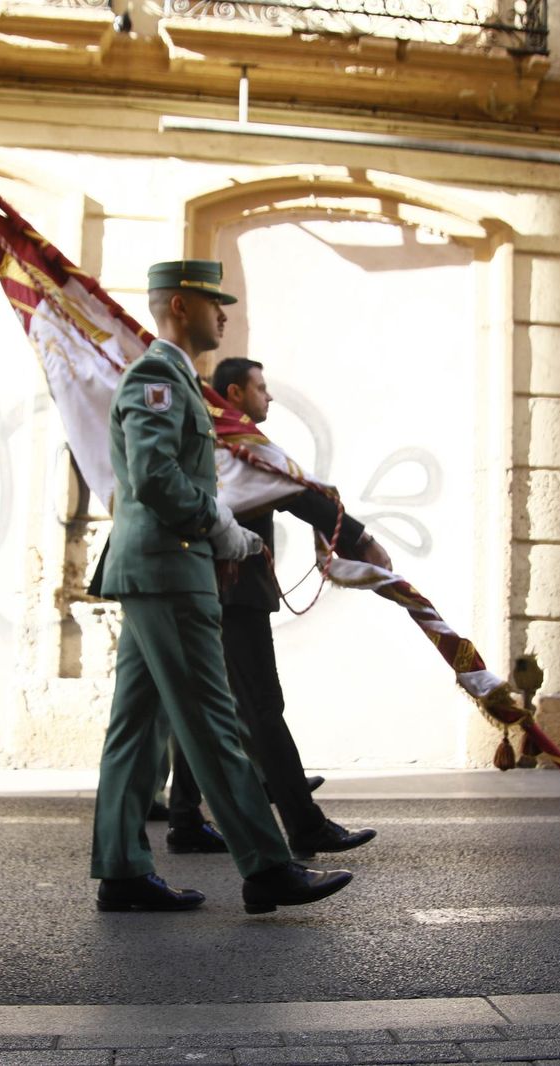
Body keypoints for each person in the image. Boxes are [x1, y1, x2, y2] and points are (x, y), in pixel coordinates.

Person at [89, 259, 352, 915]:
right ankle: (267, 866)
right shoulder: (157, 377)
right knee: (212, 719)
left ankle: (122, 870)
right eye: (214, 302)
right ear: (181, 305)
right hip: (169, 569)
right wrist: (219, 526)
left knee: (135, 727)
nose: (224, 315)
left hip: (159, 570)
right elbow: (154, 475)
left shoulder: (176, 378)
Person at [208, 356, 379, 858]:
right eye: (260, 387)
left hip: (225, 591)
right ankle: (299, 828)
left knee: (216, 711)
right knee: (261, 709)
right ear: (235, 393)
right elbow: (294, 492)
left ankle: (188, 819)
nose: (270, 396)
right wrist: (359, 539)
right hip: (234, 592)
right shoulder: (237, 442)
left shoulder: (227, 439)